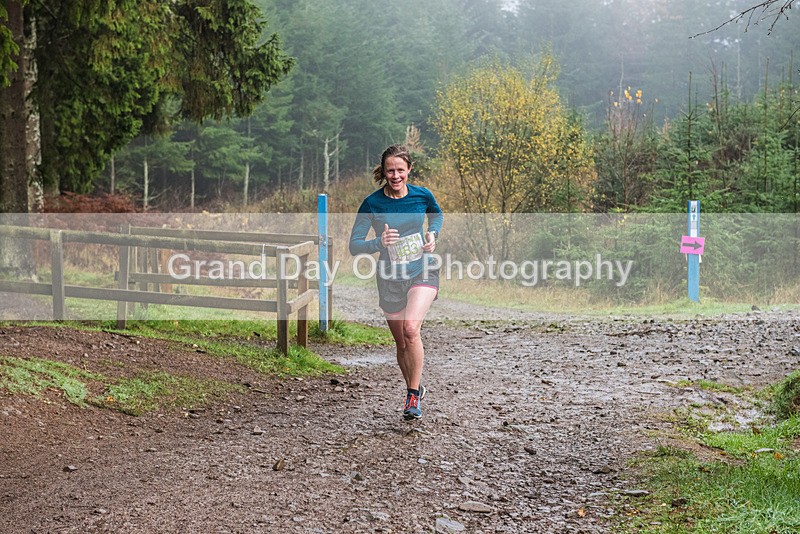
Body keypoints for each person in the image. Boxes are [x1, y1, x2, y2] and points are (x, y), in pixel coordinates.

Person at [349, 144, 443, 420]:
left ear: (409, 169)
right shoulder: (372, 203)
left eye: (400, 170)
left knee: (411, 329)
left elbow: (436, 215)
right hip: (390, 277)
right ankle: (415, 387)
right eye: (390, 170)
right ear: (384, 171)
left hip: (421, 269)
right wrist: (379, 243)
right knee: (402, 343)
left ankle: (412, 397)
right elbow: (354, 245)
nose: (395, 175)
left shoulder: (422, 195)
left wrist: (433, 234)